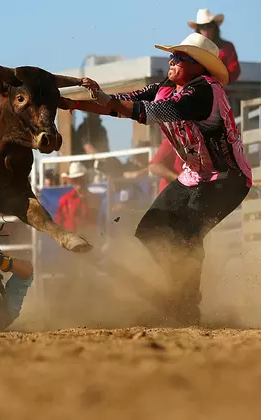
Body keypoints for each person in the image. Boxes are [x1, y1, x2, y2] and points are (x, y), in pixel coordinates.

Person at [60, 33, 252, 325]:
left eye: (180, 58)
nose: (172, 61)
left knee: (188, 231)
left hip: (228, 179)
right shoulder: (167, 87)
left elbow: (145, 111)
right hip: (195, 175)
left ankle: (187, 302)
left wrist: (101, 101)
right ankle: (180, 290)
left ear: (199, 66)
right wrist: (74, 104)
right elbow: (124, 101)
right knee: (151, 229)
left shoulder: (203, 92)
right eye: (173, 57)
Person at [188, 8, 240, 84]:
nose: (206, 30)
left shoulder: (227, 47)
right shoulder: (192, 48)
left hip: (221, 90)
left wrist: (218, 82)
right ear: (198, 30)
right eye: (202, 26)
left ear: (215, 28)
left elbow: (234, 71)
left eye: (209, 26)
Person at [55, 162, 100, 234]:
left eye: (81, 179)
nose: (79, 182)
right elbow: (58, 222)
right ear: (71, 181)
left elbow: (100, 223)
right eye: (75, 179)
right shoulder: (65, 200)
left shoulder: (95, 199)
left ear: (85, 179)